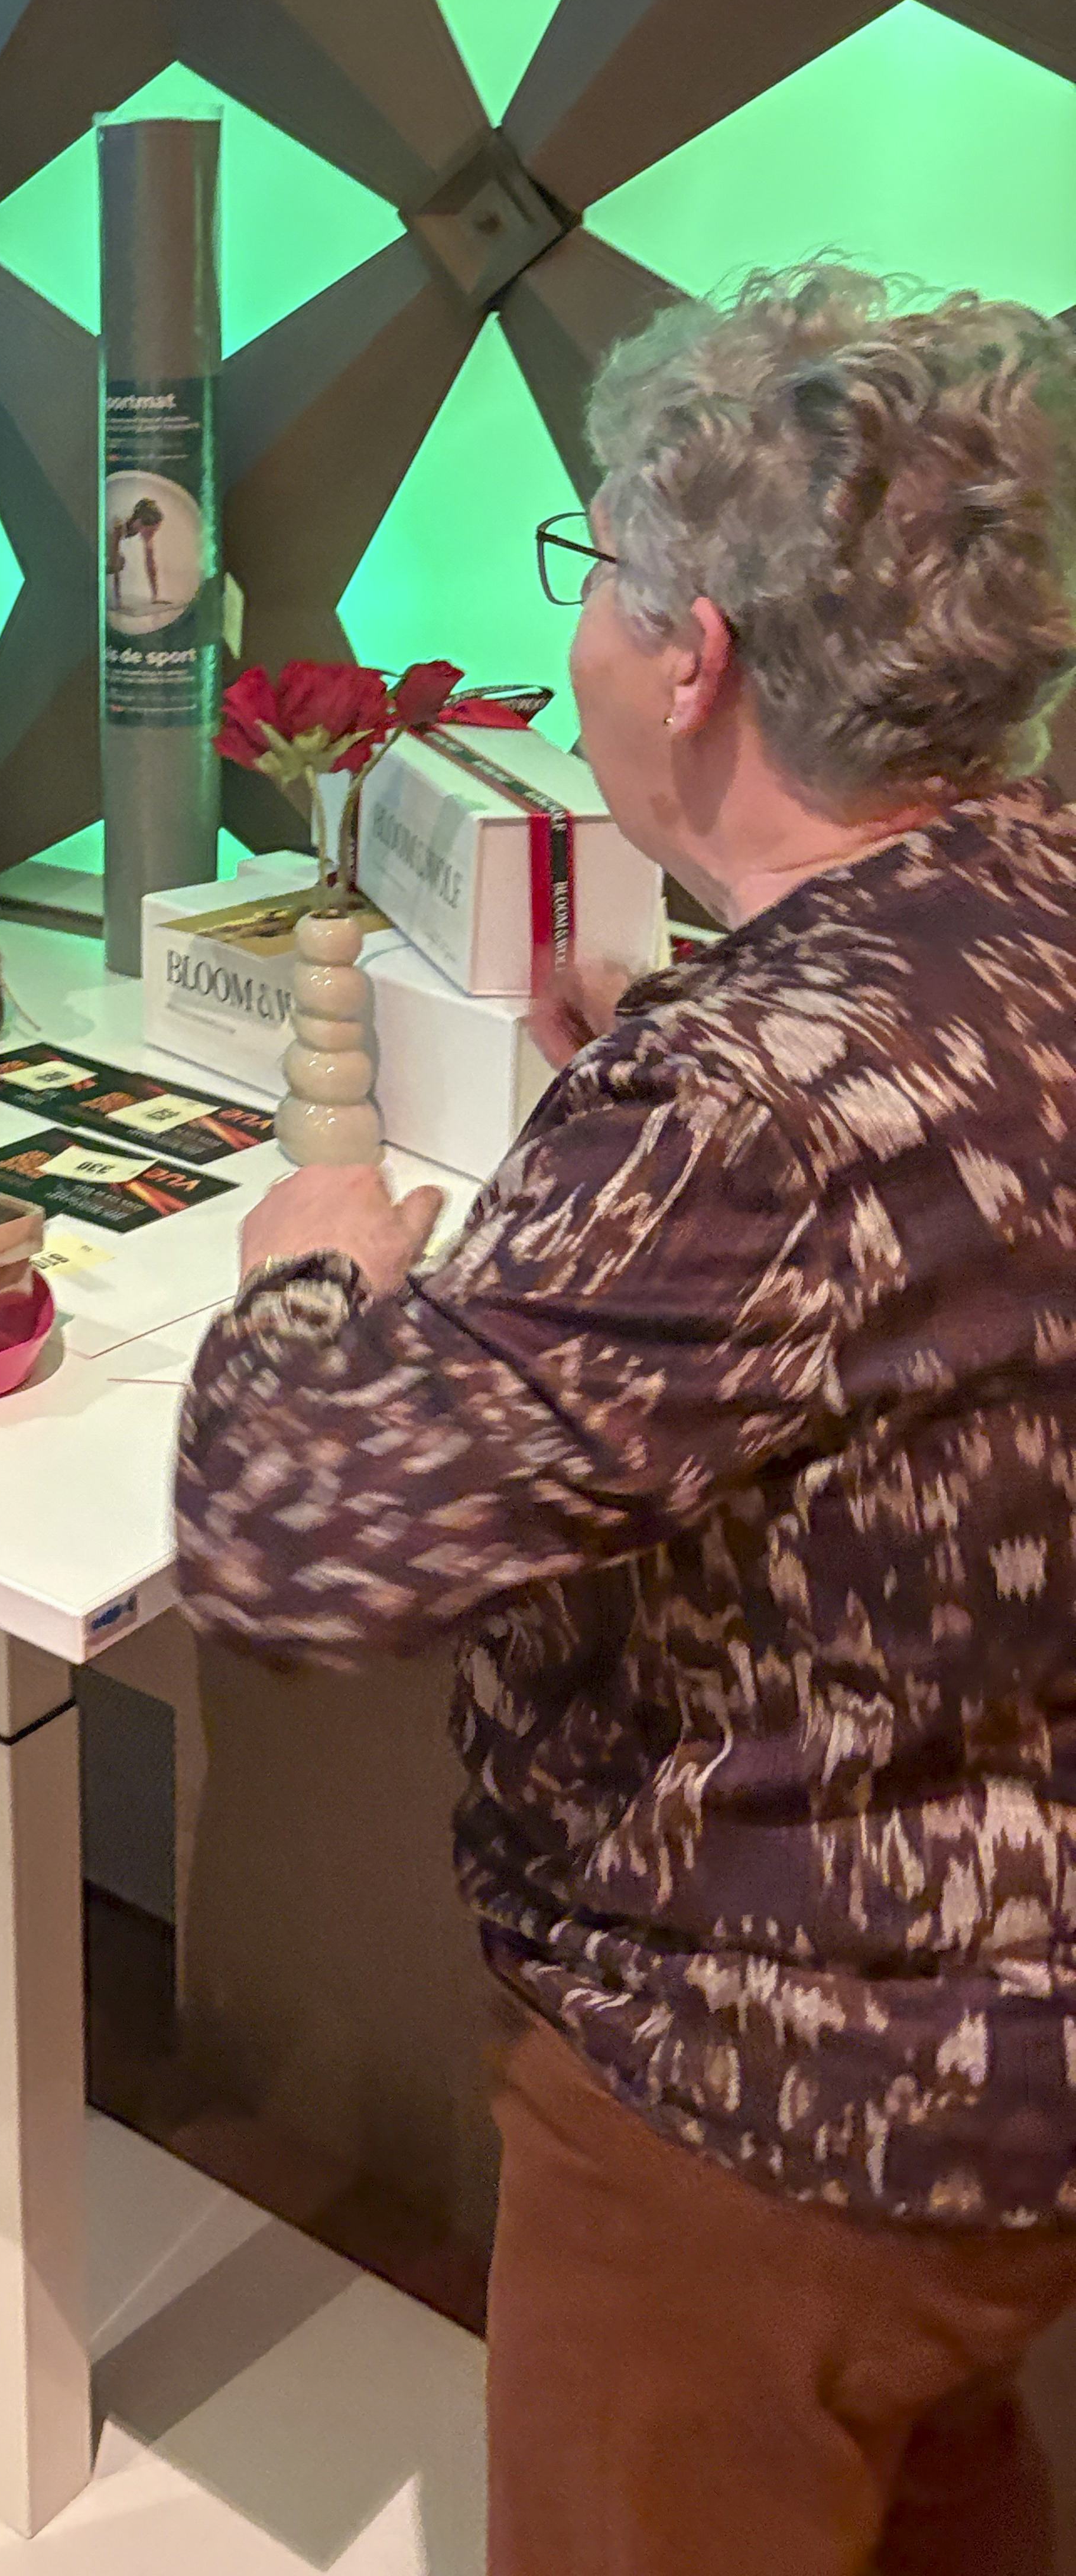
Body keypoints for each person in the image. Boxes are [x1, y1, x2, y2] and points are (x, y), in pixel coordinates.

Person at [175, 264, 1076, 2576]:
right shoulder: (1028, 907)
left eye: (592, 571)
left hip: (758, 2118)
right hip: (1001, 2075)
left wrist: (302, 1277)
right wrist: (667, 1073)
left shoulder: (742, 1105)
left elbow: (291, 1547)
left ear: (699, 662)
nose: (574, 633)